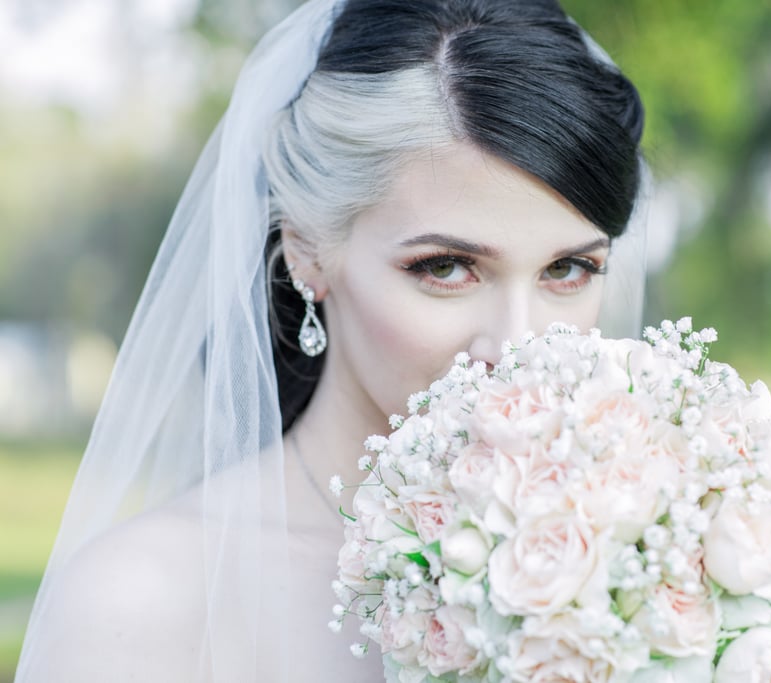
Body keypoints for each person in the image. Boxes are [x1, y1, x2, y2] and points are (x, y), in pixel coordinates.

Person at [14, 0, 647, 680]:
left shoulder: (652, 555)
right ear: (306, 251)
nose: (520, 346)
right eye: (445, 267)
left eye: (568, 268)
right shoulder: (141, 602)